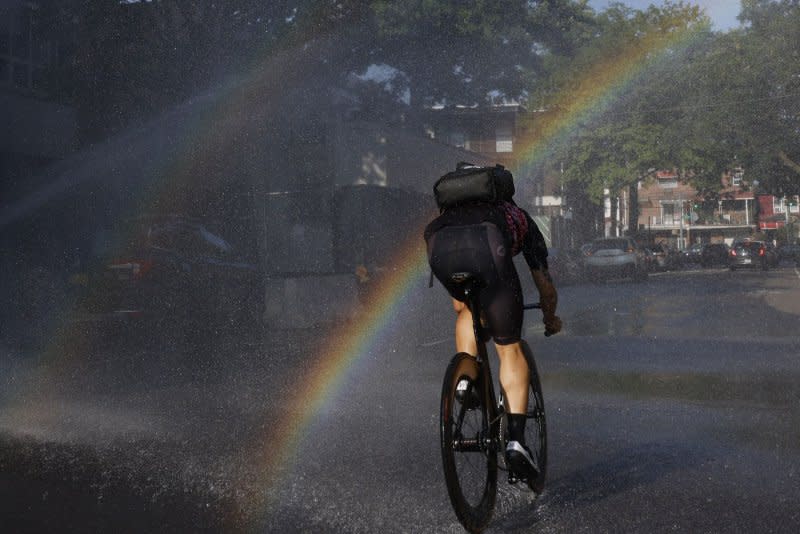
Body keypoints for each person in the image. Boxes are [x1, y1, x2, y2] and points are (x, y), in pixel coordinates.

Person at [424, 164, 561, 481]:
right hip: (490, 247)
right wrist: (550, 317)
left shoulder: (444, 218)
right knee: (510, 349)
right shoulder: (516, 217)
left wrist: (474, 308)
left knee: (466, 312)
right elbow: (545, 284)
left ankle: (465, 378)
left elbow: (460, 302)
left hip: (438, 245)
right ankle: (515, 441)